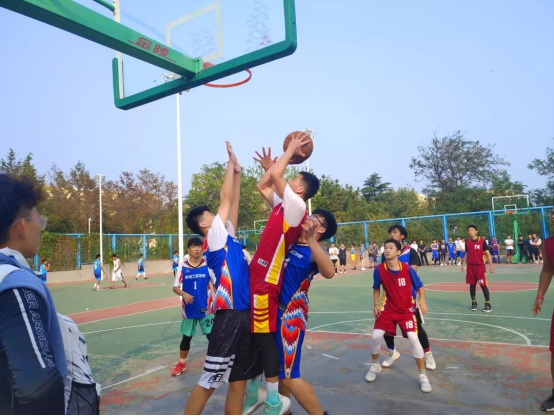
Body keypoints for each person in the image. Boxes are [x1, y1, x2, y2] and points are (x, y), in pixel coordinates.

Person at [184, 142, 262, 415]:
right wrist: (230, 164)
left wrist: (238, 174)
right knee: (210, 380)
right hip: (229, 315)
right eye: (211, 214)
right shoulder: (215, 238)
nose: (217, 214)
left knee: (238, 380)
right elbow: (226, 198)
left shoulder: (227, 236)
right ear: (204, 224)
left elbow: (234, 202)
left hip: (244, 313)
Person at [248, 138, 319, 415]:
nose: (289, 179)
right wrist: (271, 167)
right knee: (257, 337)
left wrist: (289, 152)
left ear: (300, 189)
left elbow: (277, 177)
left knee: (265, 340)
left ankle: (271, 399)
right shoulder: (283, 205)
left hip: (267, 278)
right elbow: (263, 185)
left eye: (295, 178)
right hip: (258, 274)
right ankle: (263, 394)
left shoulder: (297, 208)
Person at [244, 211, 337, 415]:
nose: (308, 218)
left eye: (314, 218)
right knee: (279, 373)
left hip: (290, 318)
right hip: (270, 311)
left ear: (321, 228)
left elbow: (330, 272)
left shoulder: (314, 250)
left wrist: (311, 239)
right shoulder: (291, 241)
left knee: (290, 375)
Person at [0, 174, 66, 414]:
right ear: (21, 226)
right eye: (39, 220)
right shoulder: (15, 284)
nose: (40, 227)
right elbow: (38, 388)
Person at [366, 239, 432, 394]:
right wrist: (375, 304)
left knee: (414, 338)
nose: (387, 250)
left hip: (406, 311)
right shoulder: (379, 270)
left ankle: (423, 375)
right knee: (376, 336)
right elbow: (376, 288)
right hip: (388, 309)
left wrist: (422, 301)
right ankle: (375, 365)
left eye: (391, 247)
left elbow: (420, 286)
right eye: (385, 248)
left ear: (398, 252)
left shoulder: (407, 269)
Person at [381, 225, 435, 371]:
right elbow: (384, 274)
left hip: (407, 296)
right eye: (390, 232)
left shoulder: (410, 252)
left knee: (416, 329)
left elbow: (412, 274)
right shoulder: (385, 253)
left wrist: (420, 299)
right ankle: (392, 352)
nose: (391, 234)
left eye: (395, 232)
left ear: (402, 236)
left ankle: (427, 354)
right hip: (390, 297)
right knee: (386, 328)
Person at [171, 238, 215, 378]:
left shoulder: (208, 265)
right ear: (188, 250)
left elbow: (215, 284)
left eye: (199, 246)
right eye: (193, 246)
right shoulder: (182, 267)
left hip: (206, 308)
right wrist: (183, 294)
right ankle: (181, 363)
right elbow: (175, 287)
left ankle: (217, 364)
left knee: (212, 337)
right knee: (186, 337)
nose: (197, 249)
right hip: (189, 309)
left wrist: (218, 300)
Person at [532, 208, 554, 412]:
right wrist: (540, 295)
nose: (553, 216)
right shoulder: (548, 243)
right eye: (553, 213)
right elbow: (547, 269)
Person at [461, 225, 494, 313]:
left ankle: (487, 304)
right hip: (470, 267)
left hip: (480, 266)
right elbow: (467, 253)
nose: (470, 232)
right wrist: (463, 264)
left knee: (483, 285)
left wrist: (491, 266)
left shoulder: (482, 241)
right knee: (472, 285)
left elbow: (488, 253)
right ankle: (473, 303)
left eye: (472, 230)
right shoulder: (467, 241)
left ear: (476, 231)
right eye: (469, 230)